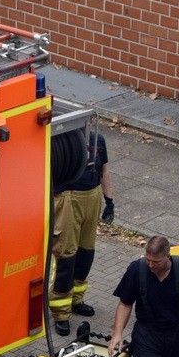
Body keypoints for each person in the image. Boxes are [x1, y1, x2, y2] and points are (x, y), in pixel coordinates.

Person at [62, 131, 114, 318]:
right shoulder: (61, 139)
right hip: (68, 197)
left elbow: (104, 171)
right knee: (66, 255)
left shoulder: (98, 140)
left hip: (91, 196)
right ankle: (61, 312)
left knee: (86, 252)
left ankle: (77, 300)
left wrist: (109, 201)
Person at [48, 187, 77, 336]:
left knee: (83, 253)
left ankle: (74, 302)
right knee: (64, 257)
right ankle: (61, 314)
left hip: (81, 193)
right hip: (58, 194)